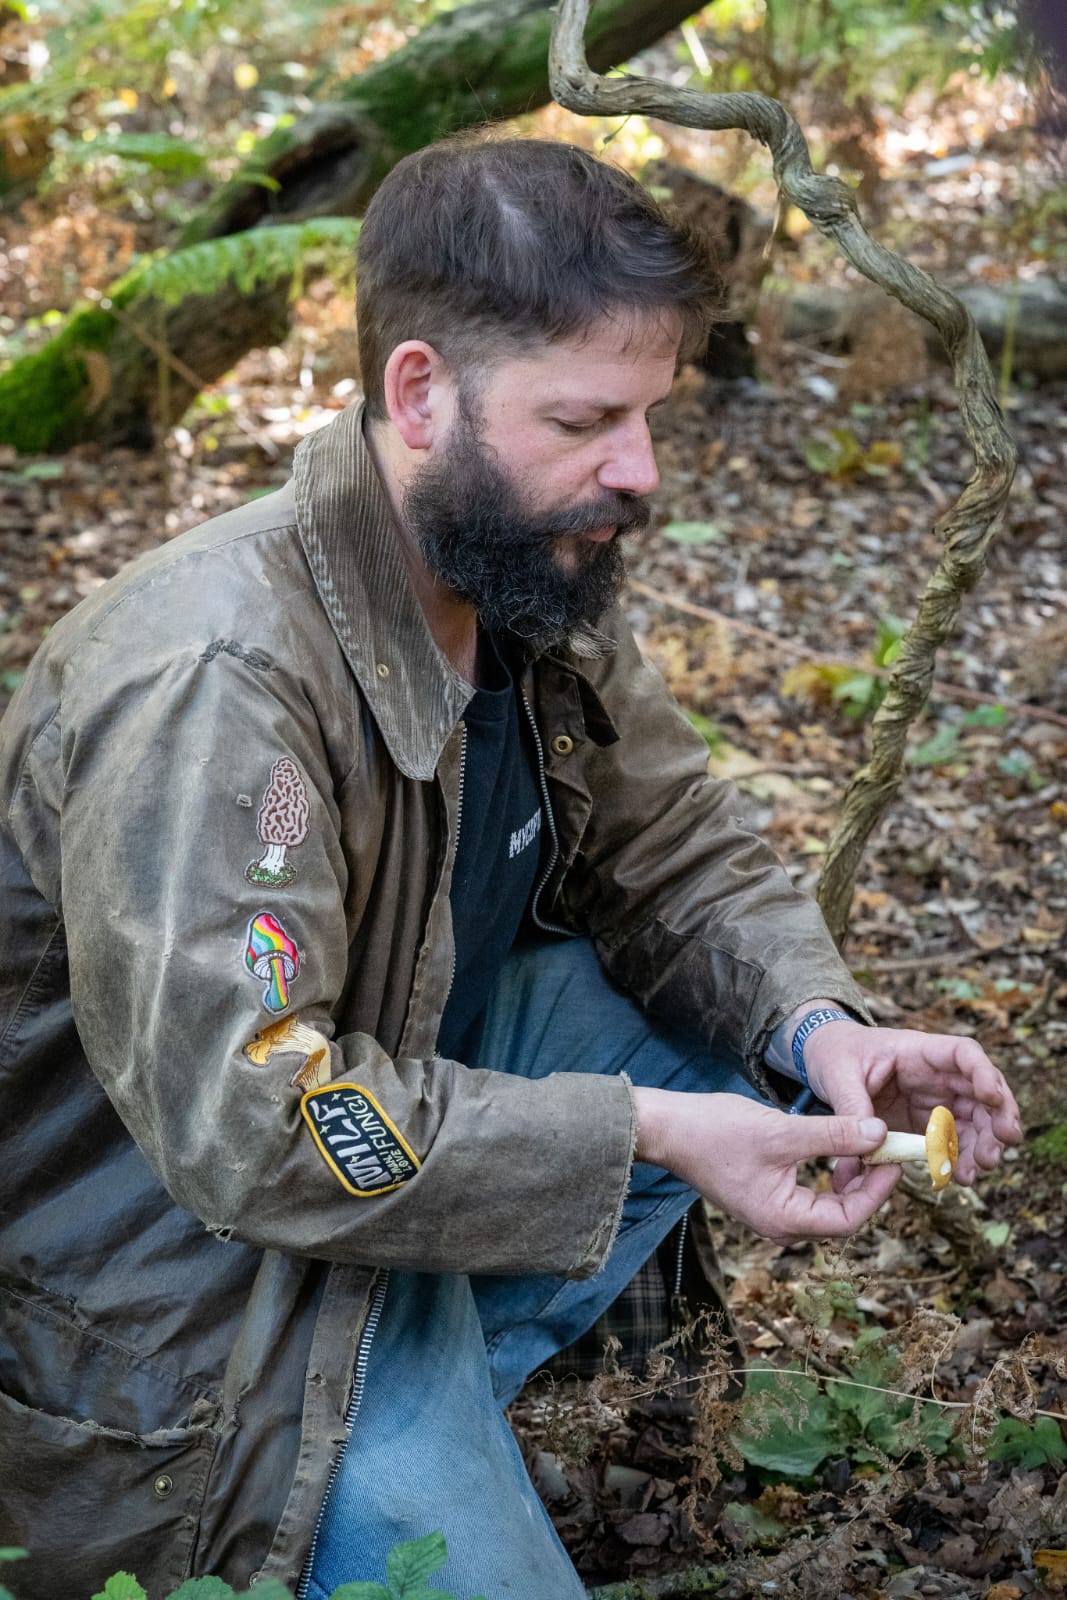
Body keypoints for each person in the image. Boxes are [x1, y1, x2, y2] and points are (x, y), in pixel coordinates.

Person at [0, 135, 1020, 1600]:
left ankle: (435, 1384)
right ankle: (366, 1436)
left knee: (730, 1033)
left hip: (390, 1127)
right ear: (421, 394)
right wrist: (648, 1137)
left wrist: (828, 1033)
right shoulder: (218, 679)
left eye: (651, 414)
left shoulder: (524, 559)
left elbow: (675, 847)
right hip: (183, 1297)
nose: (641, 471)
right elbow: (264, 1115)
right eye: (589, 417)